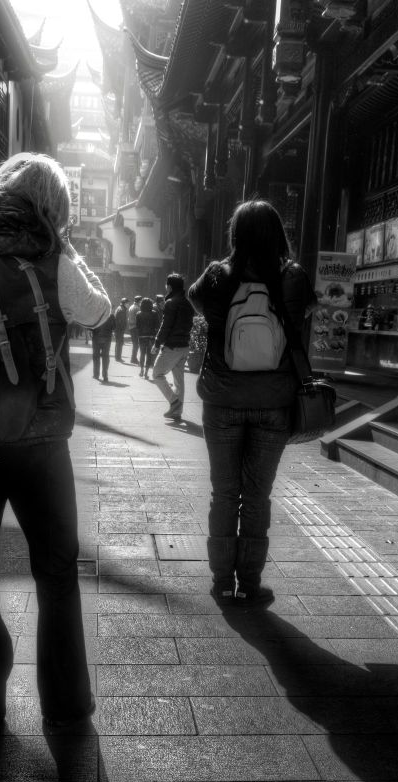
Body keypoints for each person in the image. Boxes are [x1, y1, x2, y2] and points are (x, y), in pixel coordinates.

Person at [0, 152, 111, 728]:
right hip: (38, 440)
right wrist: (64, 244)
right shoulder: (52, 251)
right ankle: (65, 701)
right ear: (53, 205)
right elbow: (97, 310)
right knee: (56, 570)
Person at [188, 198, 316, 607]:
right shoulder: (292, 278)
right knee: (257, 495)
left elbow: (196, 305)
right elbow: (304, 314)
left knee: (224, 493)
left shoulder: (216, 276)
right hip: (274, 401)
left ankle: (222, 581)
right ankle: (251, 583)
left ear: (235, 235)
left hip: (222, 400)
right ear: (278, 233)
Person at [151, 272, 194, 420]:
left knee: (157, 374)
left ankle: (174, 402)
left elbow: (166, 326)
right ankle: (177, 412)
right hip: (184, 346)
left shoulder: (171, 303)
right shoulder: (188, 304)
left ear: (169, 287)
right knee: (178, 380)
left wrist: (157, 343)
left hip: (173, 346)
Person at [135, 297, 159, 377]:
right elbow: (157, 326)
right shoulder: (154, 313)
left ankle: (141, 369)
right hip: (151, 337)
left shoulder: (138, 314)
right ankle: (146, 372)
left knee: (142, 353)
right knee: (149, 355)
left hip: (141, 337)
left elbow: (137, 326)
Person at [92, 312, 115, 382]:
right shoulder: (110, 315)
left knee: (96, 356)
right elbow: (114, 327)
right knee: (105, 356)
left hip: (96, 337)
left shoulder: (95, 314)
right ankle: (105, 375)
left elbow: (91, 325)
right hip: (107, 338)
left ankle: (96, 374)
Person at [127, 295, 142, 363]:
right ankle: (133, 358)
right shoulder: (137, 308)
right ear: (139, 301)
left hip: (131, 327)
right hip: (135, 327)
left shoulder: (131, 307)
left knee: (135, 344)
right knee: (136, 344)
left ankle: (133, 358)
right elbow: (138, 319)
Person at [113, 297, 129, 362]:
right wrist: (123, 328)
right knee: (119, 343)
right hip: (119, 330)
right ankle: (118, 357)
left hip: (117, 329)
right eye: (127, 303)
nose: (128, 304)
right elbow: (121, 321)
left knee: (118, 343)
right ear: (124, 303)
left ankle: (117, 357)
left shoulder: (119, 308)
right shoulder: (122, 310)